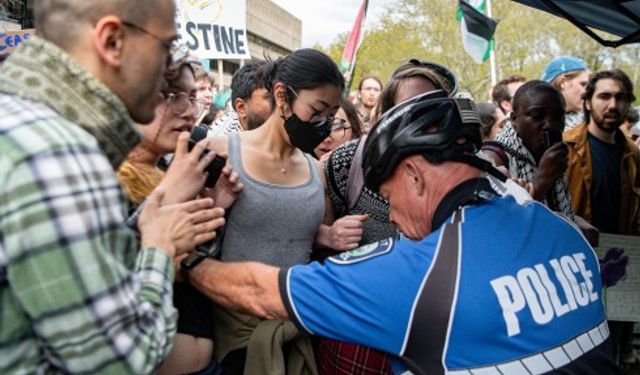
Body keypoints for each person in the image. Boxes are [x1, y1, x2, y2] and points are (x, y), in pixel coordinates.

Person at [184, 90, 619, 375]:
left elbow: (261, 292)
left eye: (388, 198)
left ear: (413, 175)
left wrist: (189, 261)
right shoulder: (562, 231)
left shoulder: (423, 273)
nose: (390, 217)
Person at [0, 0, 225, 373]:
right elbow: (119, 361)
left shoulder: (20, 123)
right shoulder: (62, 158)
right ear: (112, 41)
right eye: (164, 47)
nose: (167, 69)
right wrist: (157, 248)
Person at [202, 48, 343, 374]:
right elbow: (189, 243)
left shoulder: (313, 168)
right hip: (236, 335)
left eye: (332, 116)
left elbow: (292, 231)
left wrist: (328, 236)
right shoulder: (221, 153)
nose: (324, 125)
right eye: (318, 110)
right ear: (282, 95)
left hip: (297, 326)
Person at [315, 60, 456, 375]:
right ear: (385, 114)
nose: (421, 121)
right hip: (356, 326)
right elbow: (316, 244)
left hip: (427, 328)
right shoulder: (347, 161)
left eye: (432, 108)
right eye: (408, 109)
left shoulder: (458, 167)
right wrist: (328, 236)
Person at [117, 58, 241, 375]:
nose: (188, 110)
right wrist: (169, 195)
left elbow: (192, 265)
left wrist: (214, 207)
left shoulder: (173, 170)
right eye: (171, 95)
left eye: (191, 97)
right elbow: (110, 274)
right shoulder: (101, 180)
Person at [563, 69, 640, 367]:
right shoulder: (566, 147)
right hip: (576, 261)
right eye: (604, 96)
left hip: (619, 263)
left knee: (615, 351)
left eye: (621, 98)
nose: (612, 105)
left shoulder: (633, 155)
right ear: (587, 102)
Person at [483, 80, 574, 219]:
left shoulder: (556, 154)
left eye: (557, 117)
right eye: (537, 116)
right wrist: (542, 181)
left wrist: (574, 222)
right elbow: (501, 223)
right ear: (514, 119)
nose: (549, 125)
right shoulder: (494, 158)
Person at [208, 60, 272, 136]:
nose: (280, 103)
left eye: (281, 95)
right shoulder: (221, 144)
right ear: (241, 108)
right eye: (270, 98)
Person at [543, 56, 589, 131]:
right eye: (583, 84)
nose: (587, 90)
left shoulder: (590, 120)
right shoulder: (540, 122)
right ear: (563, 82)